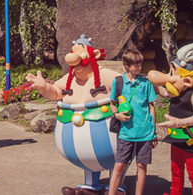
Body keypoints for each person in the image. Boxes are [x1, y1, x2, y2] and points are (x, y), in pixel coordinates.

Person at [26, 34, 127, 195]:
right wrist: (43, 87)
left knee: (117, 160)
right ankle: (90, 186)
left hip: (110, 134)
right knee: (89, 164)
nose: (74, 58)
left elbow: (125, 87)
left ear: (92, 55)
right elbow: (56, 92)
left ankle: (116, 187)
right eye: (73, 52)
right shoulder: (70, 79)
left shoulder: (105, 75)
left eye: (79, 53)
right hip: (76, 139)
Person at [147, 38, 193, 195]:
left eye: (172, 73)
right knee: (176, 171)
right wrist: (149, 81)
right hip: (176, 139)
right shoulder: (174, 91)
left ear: (186, 79)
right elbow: (161, 90)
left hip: (191, 140)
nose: (170, 77)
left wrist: (179, 122)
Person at [108, 48, 157, 195]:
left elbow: (151, 107)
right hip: (126, 132)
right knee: (120, 165)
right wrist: (117, 115)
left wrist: (154, 132)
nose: (139, 67)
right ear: (126, 65)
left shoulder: (146, 83)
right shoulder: (118, 82)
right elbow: (112, 103)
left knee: (142, 166)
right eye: (136, 65)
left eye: (140, 64)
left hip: (146, 132)